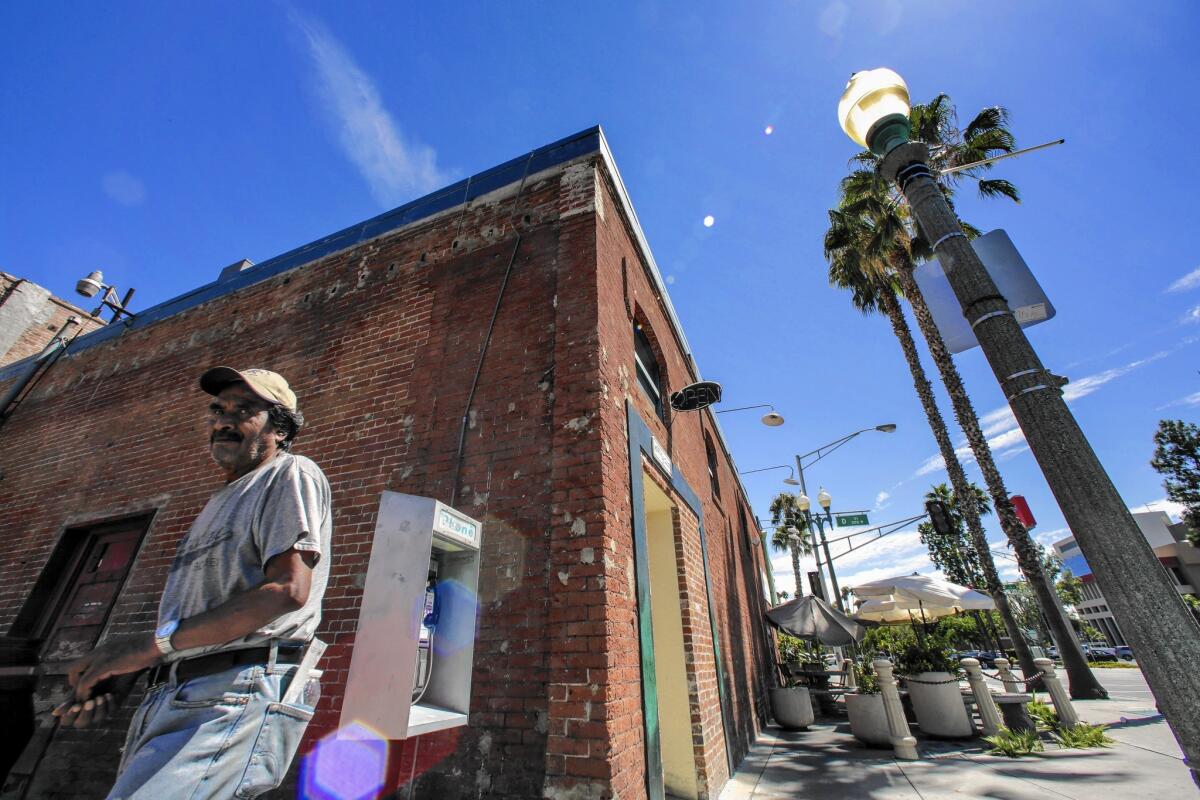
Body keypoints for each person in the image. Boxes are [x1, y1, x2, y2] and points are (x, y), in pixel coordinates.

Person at [54, 367, 332, 799]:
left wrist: (148, 647)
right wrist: (126, 670)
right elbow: (192, 619)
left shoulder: (290, 473)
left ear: (279, 428)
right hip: (175, 692)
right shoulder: (220, 501)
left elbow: (287, 591)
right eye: (218, 410)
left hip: (237, 689)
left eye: (245, 410)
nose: (225, 421)